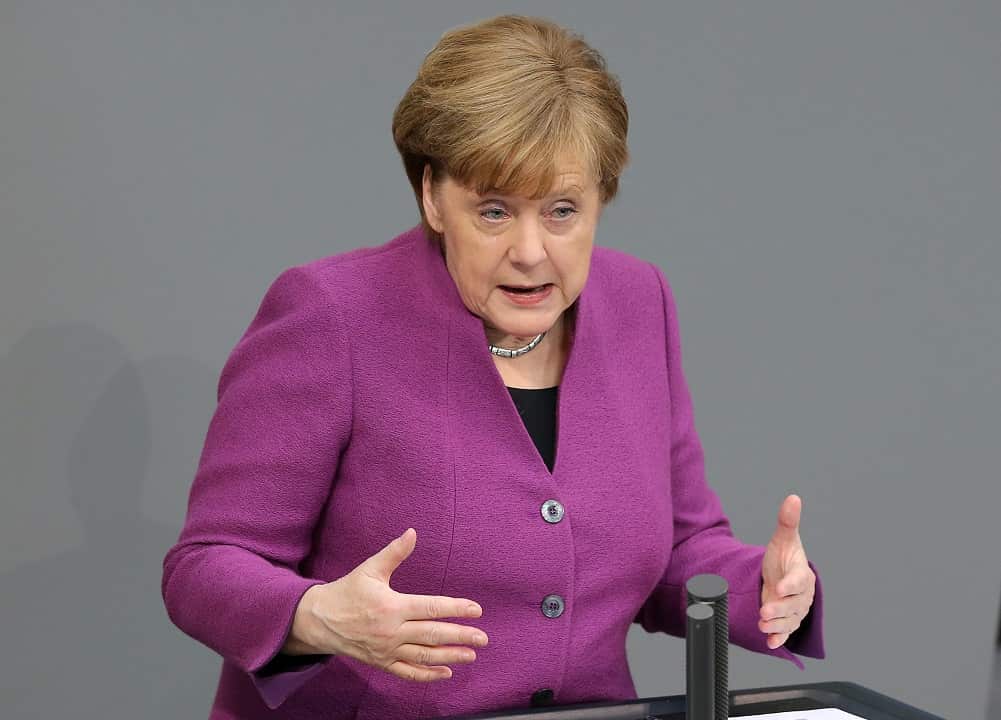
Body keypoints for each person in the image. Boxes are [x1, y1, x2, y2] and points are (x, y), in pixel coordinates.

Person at [161, 14, 825, 720]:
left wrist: (762, 589)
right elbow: (203, 567)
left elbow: (679, 550)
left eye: (562, 211)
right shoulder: (332, 317)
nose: (531, 251)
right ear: (431, 196)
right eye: (494, 212)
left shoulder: (639, 304)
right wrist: (318, 615)